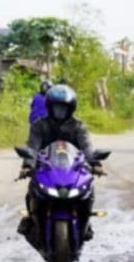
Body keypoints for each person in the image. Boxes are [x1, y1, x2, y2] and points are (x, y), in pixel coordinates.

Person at [17, 84, 101, 242]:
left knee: (88, 187)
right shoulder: (39, 125)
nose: (59, 111)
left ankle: (86, 222)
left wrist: (95, 163)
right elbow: (32, 146)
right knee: (32, 188)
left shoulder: (78, 126)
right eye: (56, 107)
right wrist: (27, 165)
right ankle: (30, 219)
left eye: (63, 108)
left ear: (71, 108)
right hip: (46, 167)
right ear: (49, 107)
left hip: (73, 168)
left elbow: (87, 146)